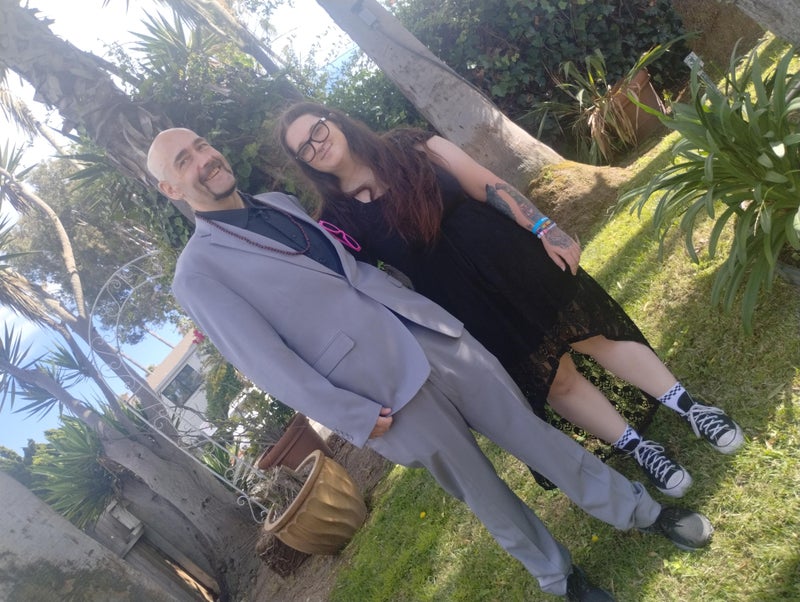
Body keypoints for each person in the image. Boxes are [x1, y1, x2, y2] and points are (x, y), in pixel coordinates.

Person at [148, 127, 715, 601]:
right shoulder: (197, 273)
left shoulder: (279, 204)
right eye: (184, 161)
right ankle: (562, 579)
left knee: (534, 434)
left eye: (201, 145)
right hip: (379, 392)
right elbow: (265, 361)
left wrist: (435, 318)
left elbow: (351, 273)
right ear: (170, 187)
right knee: (481, 489)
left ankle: (639, 512)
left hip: (430, 334)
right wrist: (351, 415)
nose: (203, 159)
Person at [277, 102, 744, 499]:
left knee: (594, 334)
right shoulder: (336, 221)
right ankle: (640, 449)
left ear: (333, 120)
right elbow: (354, 286)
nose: (317, 145)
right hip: (462, 304)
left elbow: (485, 184)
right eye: (305, 149)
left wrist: (545, 227)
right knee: (553, 380)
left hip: (511, 257)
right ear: (304, 163)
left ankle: (691, 408)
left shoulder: (413, 146)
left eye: (317, 130)